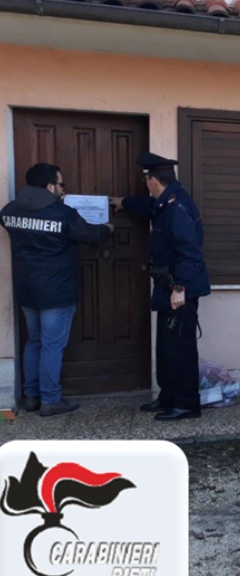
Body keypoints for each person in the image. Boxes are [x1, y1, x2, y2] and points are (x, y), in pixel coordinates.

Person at [0, 163, 113, 416]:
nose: (63, 189)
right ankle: (50, 399)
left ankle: (32, 396)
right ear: (50, 186)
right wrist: (108, 228)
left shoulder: (9, 210)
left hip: (27, 289)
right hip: (56, 291)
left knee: (34, 341)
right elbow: (92, 235)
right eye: (61, 184)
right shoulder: (63, 214)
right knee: (52, 345)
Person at [110, 153, 210, 421]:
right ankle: (169, 397)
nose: (146, 185)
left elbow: (191, 253)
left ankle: (187, 404)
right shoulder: (166, 202)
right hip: (169, 287)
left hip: (180, 289)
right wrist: (124, 202)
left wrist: (180, 287)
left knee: (181, 350)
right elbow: (149, 207)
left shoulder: (177, 209)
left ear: (152, 180)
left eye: (146, 180)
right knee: (167, 348)